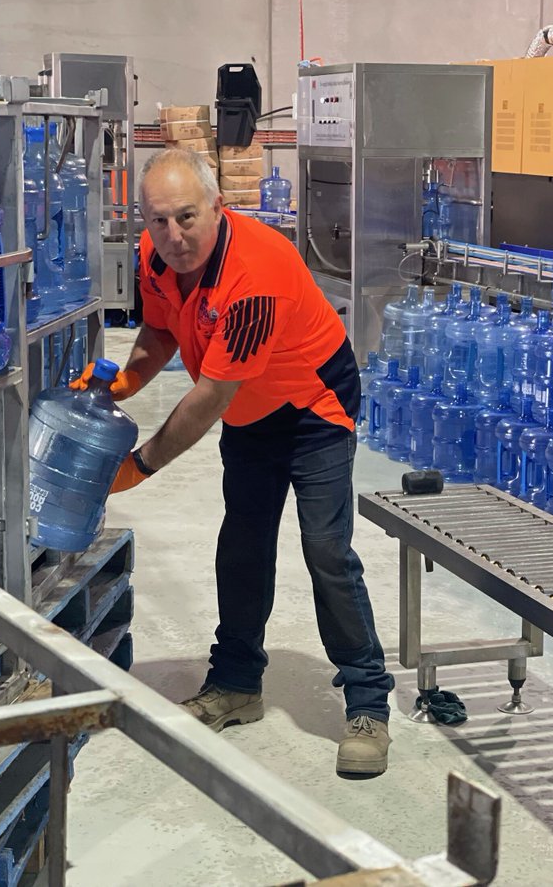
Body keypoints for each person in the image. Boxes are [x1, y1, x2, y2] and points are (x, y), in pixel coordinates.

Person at [73, 148, 394, 776]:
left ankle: (367, 702)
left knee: (326, 548)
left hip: (313, 405)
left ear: (219, 207)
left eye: (187, 217)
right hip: (253, 411)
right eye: (158, 221)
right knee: (243, 543)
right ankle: (238, 684)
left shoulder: (255, 274)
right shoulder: (154, 255)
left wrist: (140, 464)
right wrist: (126, 382)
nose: (173, 236)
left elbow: (212, 394)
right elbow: (163, 329)